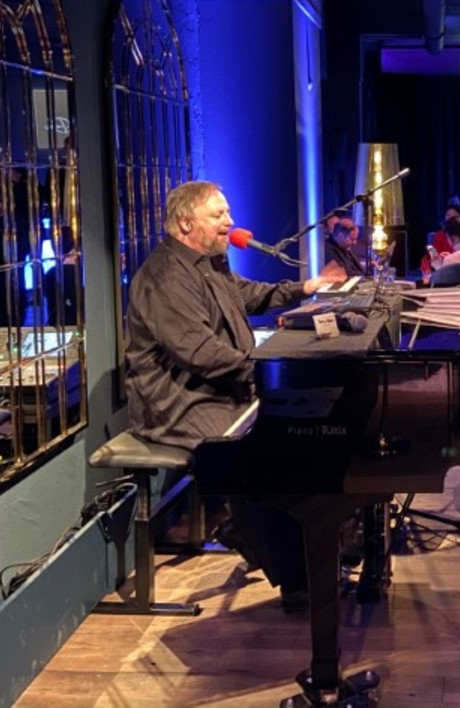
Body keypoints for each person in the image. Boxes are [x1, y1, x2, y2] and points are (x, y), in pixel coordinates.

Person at [125, 181, 339, 611]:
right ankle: (295, 577)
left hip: (215, 389)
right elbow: (200, 354)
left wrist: (306, 288)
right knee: (253, 450)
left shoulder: (209, 264)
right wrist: (268, 373)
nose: (230, 222)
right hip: (177, 401)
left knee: (293, 432)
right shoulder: (165, 277)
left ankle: (289, 543)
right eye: (218, 215)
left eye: (227, 212)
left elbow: (248, 295)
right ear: (186, 223)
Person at [322, 212, 367, 277]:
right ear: (341, 236)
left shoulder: (344, 246)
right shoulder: (328, 250)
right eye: (352, 239)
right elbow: (344, 273)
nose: (355, 242)